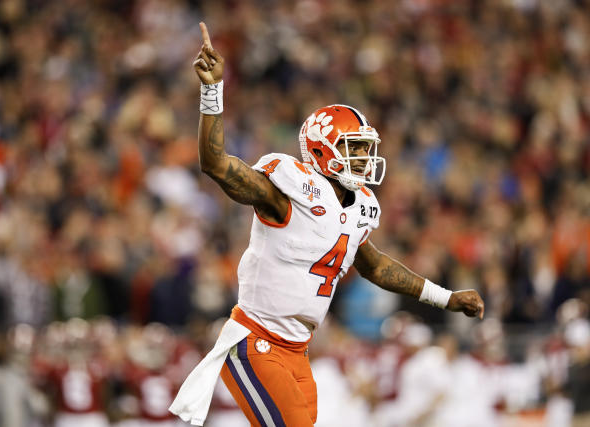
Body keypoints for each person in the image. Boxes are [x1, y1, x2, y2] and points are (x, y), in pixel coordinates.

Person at [169, 22, 485, 427]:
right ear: (321, 149)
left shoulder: (359, 208)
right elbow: (216, 165)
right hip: (255, 342)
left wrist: (445, 297)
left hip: (298, 352)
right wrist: (212, 91)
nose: (363, 158)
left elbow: (374, 265)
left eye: (365, 149)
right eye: (353, 148)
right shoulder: (289, 189)